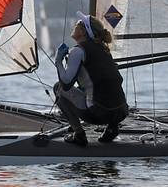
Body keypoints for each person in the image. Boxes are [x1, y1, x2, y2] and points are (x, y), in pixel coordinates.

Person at [54, 11, 129, 145]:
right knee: (100, 88)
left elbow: (65, 84)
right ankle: (112, 128)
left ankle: (79, 134)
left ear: (83, 31)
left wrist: (58, 61)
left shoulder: (77, 51)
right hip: (122, 111)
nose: (74, 25)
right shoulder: (104, 49)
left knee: (58, 88)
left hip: (99, 113)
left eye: (78, 24)